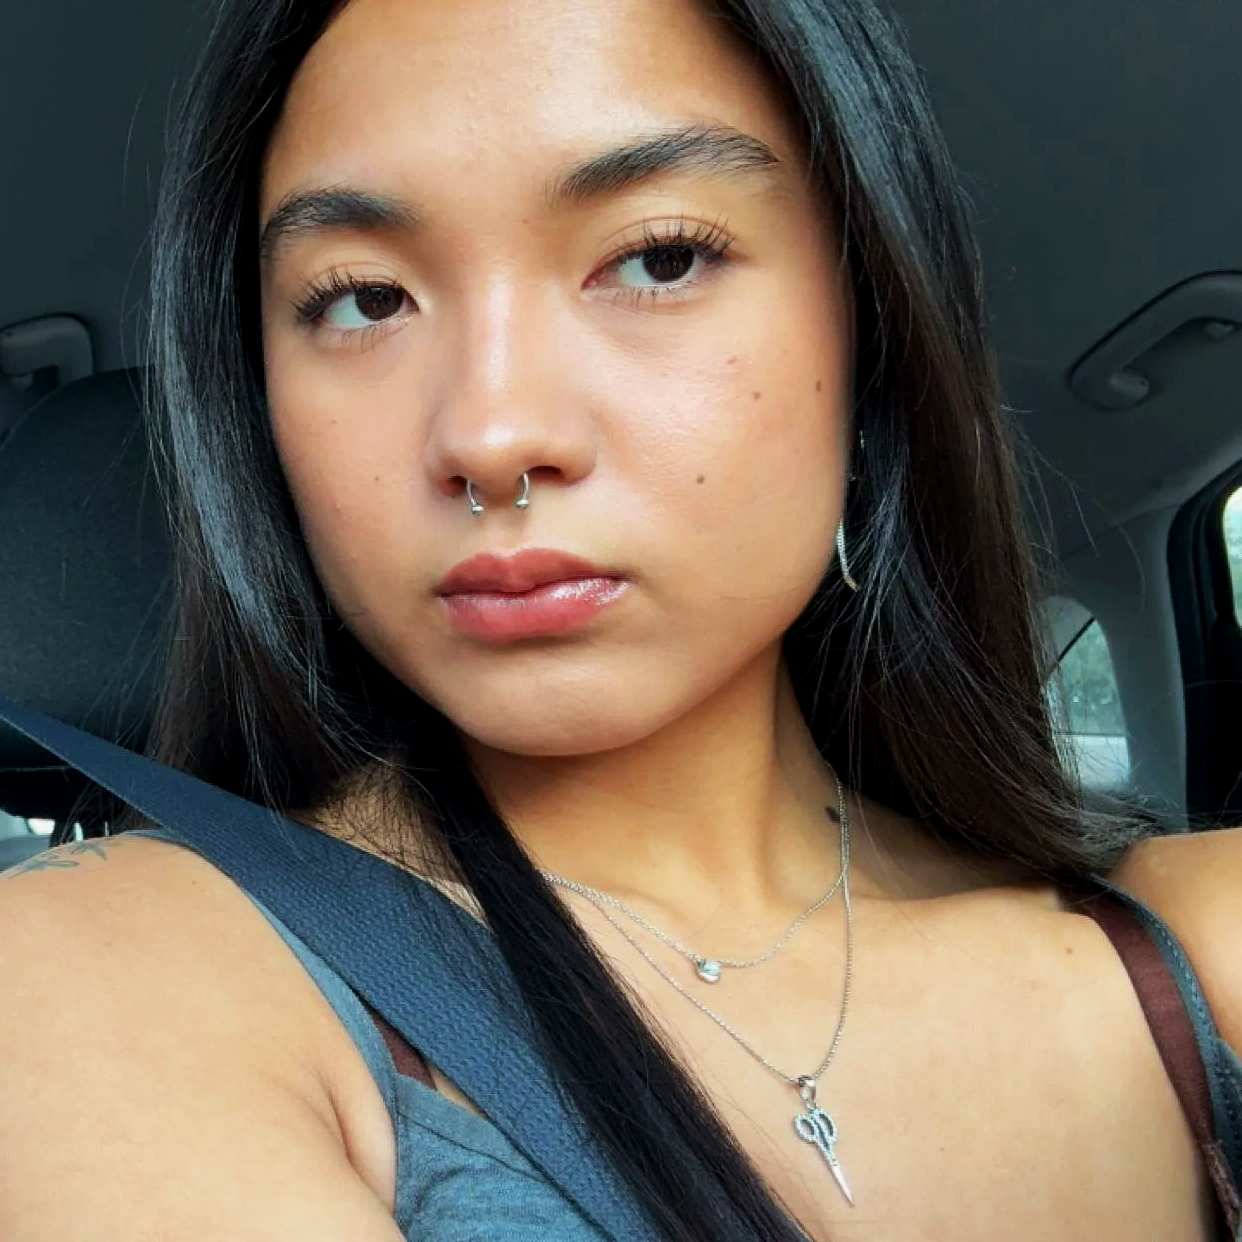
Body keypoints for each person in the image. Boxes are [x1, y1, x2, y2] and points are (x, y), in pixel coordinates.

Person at [1, 0, 1239, 1237]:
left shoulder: (1198, 943)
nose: (489, 434)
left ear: (869, 342)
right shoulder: (91, 976)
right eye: (365, 299)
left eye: (658, 258)